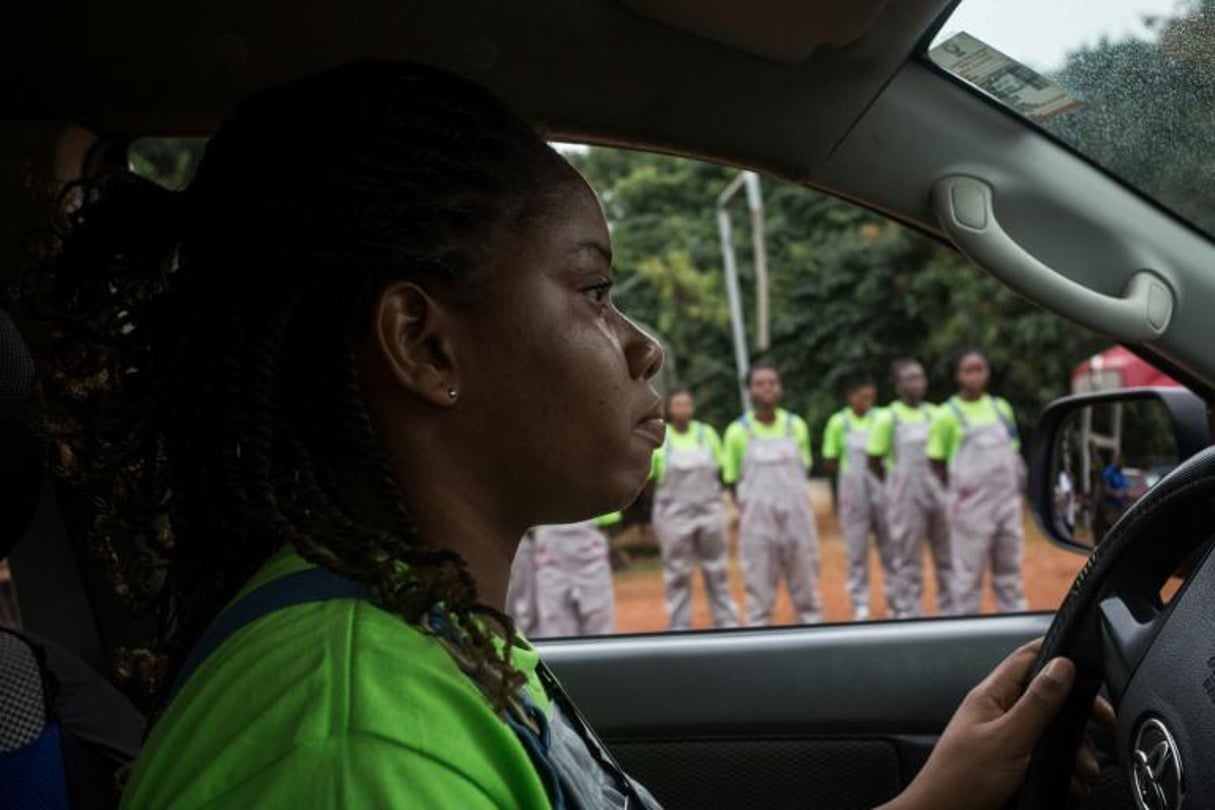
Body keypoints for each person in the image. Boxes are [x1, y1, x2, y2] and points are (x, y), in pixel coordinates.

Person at [14, 60, 1105, 808]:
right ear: (425, 348)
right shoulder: (354, 744)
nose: (642, 348)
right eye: (592, 292)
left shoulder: (426, 627)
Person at [927, 348, 1027, 615]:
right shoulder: (946, 415)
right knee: (968, 575)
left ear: (987, 372)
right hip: (970, 507)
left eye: (979, 369)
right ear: (958, 376)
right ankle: (965, 629)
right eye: (968, 370)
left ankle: (1014, 624)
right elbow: (936, 461)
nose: (974, 376)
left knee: (1009, 570)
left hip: (1006, 503)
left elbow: (1013, 453)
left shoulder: (1001, 408)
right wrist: (962, 493)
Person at [722, 363, 821, 627]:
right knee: (759, 593)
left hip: (797, 519)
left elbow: (804, 469)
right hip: (757, 523)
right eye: (760, 383)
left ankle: (813, 638)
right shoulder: (737, 432)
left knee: (807, 588)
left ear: (781, 388)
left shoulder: (796, 426)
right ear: (749, 390)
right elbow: (732, 481)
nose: (767, 388)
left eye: (772, 382)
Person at [867, 359, 953, 618]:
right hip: (905, 498)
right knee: (907, 559)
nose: (917, 383)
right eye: (910, 378)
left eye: (921, 377)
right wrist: (896, 486)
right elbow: (874, 460)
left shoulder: (937, 415)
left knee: (947, 556)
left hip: (937, 494)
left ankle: (951, 610)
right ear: (897, 385)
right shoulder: (887, 418)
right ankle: (908, 611)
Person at [650, 388, 737, 630]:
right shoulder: (661, 439)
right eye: (678, 404)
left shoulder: (706, 434)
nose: (683, 409)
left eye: (687, 404)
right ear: (669, 409)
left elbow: (718, 471)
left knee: (717, 570)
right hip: (674, 517)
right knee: (677, 573)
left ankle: (726, 622)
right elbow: (649, 481)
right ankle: (679, 626)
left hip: (709, 512)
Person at [822, 373, 896, 620]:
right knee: (856, 549)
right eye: (862, 397)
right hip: (853, 491)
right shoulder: (838, 423)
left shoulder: (883, 418)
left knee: (890, 546)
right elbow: (830, 459)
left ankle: (895, 599)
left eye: (870, 397)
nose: (867, 402)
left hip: (882, 488)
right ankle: (860, 603)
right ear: (851, 397)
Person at [531, 513, 620, 637]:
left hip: (589, 557)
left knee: (599, 622)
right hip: (551, 559)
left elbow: (608, 519)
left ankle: (600, 655)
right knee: (555, 626)